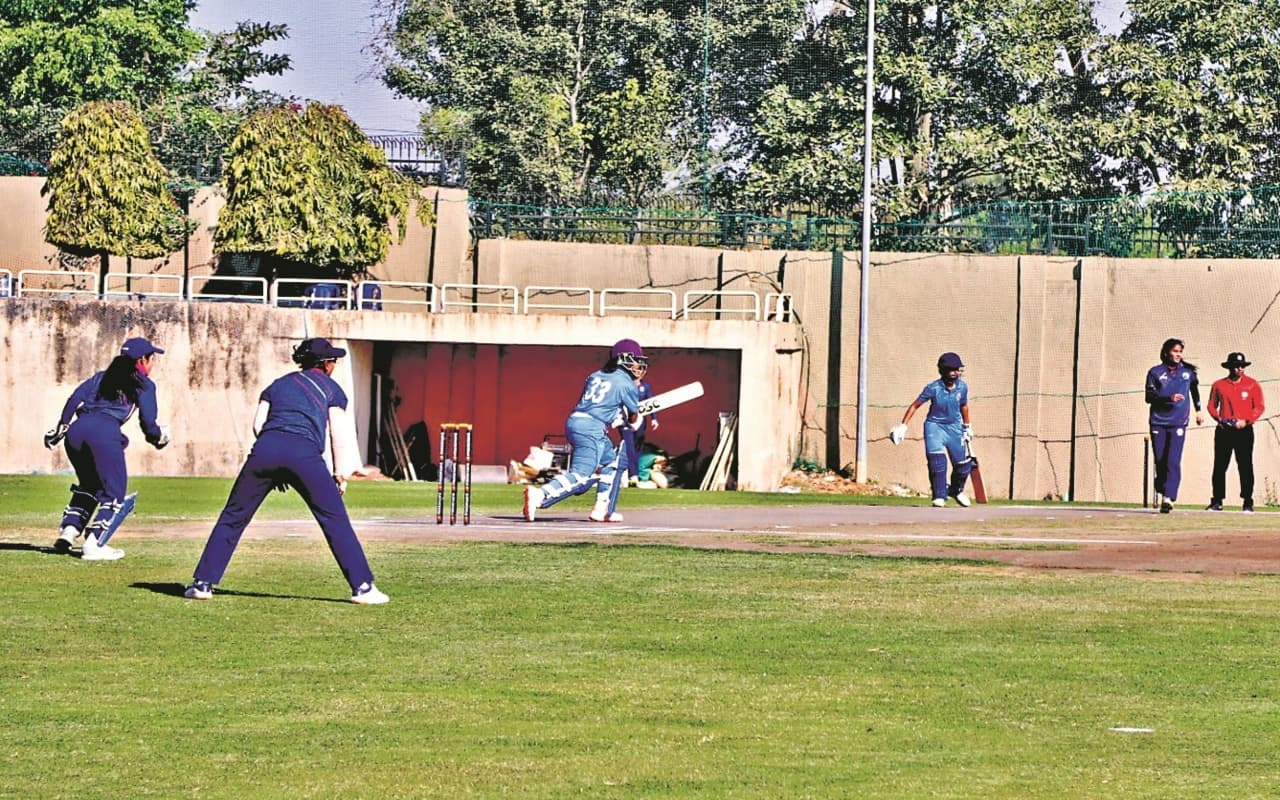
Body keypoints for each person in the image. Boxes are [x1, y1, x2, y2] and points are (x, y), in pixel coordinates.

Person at [183, 338, 389, 604]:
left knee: (233, 516)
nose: (334, 365)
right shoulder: (333, 389)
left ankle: (202, 583)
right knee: (335, 520)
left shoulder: (278, 385)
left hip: (265, 450)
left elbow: (259, 425)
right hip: (305, 454)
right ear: (325, 364)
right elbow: (339, 433)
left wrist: (275, 468)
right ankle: (363, 588)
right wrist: (340, 473)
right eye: (333, 361)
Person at [46, 336, 169, 560]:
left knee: (90, 484)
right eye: (152, 359)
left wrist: (61, 426)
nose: (153, 364)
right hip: (104, 433)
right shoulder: (144, 384)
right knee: (115, 492)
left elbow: (75, 399)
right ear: (143, 360)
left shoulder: (101, 377)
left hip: (75, 432)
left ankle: (69, 531)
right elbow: (148, 423)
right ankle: (94, 544)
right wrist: (159, 438)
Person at [522, 339, 644, 523]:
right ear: (624, 359)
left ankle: (602, 509)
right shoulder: (626, 383)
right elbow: (633, 417)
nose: (638, 365)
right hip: (592, 428)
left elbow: (593, 403)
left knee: (611, 462)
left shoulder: (595, 375)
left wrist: (613, 416)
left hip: (576, 421)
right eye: (635, 360)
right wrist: (629, 420)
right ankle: (540, 494)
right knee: (581, 474)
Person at [889, 351, 974, 508]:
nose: (956, 373)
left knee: (962, 465)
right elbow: (915, 405)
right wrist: (903, 426)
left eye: (958, 369)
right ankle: (939, 495)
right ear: (943, 370)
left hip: (955, 427)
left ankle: (956, 491)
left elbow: (964, 406)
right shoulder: (933, 388)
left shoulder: (962, 387)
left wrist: (967, 426)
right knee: (937, 462)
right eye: (952, 369)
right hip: (934, 426)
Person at [1144, 337, 1203, 513]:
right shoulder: (1155, 372)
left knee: (1173, 460)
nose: (1178, 355)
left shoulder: (1187, 373)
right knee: (1161, 460)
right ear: (1166, 352)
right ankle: (1162, 487)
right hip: (1158, 421)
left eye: (1180, 352)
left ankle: (1169, 497)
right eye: (1175, 351)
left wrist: (1198, 411)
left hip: (1179, 421)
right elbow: (1149, 397)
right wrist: (1167, 398)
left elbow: (1194, 391)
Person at [1206, 352, 1264, 512]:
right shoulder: (1219, 385)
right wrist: (1219, 419)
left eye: (1241, 366)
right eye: (1235, 366)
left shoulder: (1252, 385)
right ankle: (1217, 500)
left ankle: (1247, 500)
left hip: (1244, 431)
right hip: (1225, 430)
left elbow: (1259, 406)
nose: (1239, 369)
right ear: (1229, 368)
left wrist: (1246, 421)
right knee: (1220, 465)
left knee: (1245, 465)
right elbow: (1211, 405)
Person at [620, 361, 659, 486]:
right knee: (629, 447)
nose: (637, 372)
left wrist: (654, 418)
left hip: (641, 421)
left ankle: (633, 473)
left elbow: (651, 402)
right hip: (625, 421)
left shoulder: (645, 386)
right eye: (634, 370)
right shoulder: (624, 385)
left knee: (638, 448)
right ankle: (633, 475)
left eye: (639, 369)